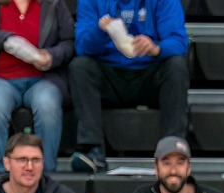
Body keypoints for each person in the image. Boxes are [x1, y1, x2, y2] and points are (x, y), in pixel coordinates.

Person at [68, 0, 189, 173]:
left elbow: (179, 41)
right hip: (110, 75)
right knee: (80, 66)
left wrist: (156, 48)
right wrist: (101, 31)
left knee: (176, 65)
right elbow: (82, 47)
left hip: (149, 74)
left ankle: (172, 151)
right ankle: (92, 150)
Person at [0, 0, 72, 175]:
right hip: (1, 78)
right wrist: (5, 40)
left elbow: (69, 41)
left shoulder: (54, 3)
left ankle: (45, 174)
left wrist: (52, 56)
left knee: (48, 106)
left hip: (42, 78)